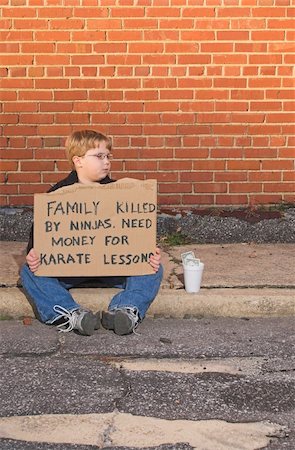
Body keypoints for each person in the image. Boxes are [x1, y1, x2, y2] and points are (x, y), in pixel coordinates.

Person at [20, 130, 163, 336]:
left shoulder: (123, 193)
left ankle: (125, 311)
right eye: (99, 156)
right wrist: (34, 254)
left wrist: (148, 252)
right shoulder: (56, 195)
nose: (106, 162)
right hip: (69, 268)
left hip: (114, 266)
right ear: (78, 161)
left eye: (108, 156)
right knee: (29, 272)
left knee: (154, 269)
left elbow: (136, 232)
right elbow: (40, 236)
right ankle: (71, 314)